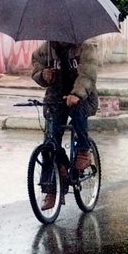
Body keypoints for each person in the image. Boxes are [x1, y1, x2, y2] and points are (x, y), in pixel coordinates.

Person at [31, 38, 99, 210]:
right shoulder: (46, 49)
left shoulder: (85, 47)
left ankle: (84, 150)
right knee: (49, 143)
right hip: (56, 98)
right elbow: (36, 68)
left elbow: (88, 74)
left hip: (82, 97)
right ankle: (51, 188)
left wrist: (76, 94)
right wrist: (44, 75)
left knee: (77, 112)